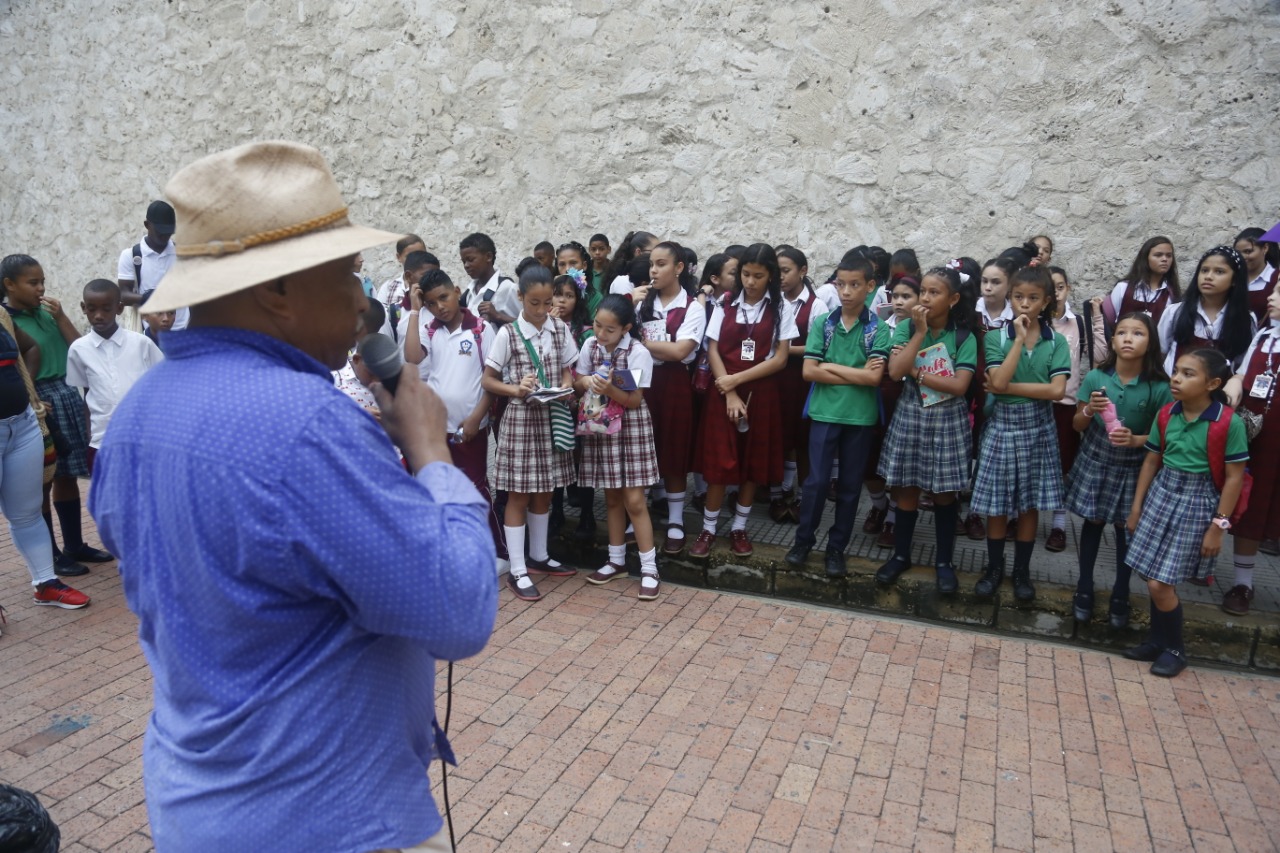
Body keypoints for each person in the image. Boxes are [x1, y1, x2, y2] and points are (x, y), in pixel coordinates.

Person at [87, 141, 497, 852]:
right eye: (344, 274)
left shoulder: (136, 414)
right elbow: (458, 609)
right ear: (276, 292)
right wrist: (431, 455)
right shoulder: (306, 425)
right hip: (315, 815)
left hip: (197, 797)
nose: (359, 299)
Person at [1123, 349, 1247, 678]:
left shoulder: (1227, 423)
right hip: (1162, 494)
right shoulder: (1167, 413)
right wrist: (1137, 508)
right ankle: (1157, 640)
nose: (1176, 378)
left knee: (1160, 584)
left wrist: (1218, 526)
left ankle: (1175, 649)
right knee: (1152, 577)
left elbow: (1234, 477)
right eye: (1176, 371)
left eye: (1189, 374)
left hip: (1198, 502)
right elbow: (1152, 460)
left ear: (1214, 383)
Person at [3, 255, 113, 576]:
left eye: (42, 282)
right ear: (9, 285)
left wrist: (62, 316)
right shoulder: (6, 320)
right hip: (39, 401)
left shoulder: (46, 314)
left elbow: (80, 349)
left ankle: (75, 544)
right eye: (32, 282)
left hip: (66, 393)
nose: (41, 288)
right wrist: (32, 396)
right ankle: (49, 554)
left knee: (66, 474)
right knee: (42, 481)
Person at [873, 267, 977, 594]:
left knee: (945, 493)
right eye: (924, 292)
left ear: (954, 299)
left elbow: (959, 386)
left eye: (936, 293)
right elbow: (894, 370)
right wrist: (918, 333)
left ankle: (944, 562)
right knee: (907, 487)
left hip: (948, 418)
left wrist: (917, 373)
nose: (927, 298)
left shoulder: (964, 336)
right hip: (910, 413)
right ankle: (901, 555)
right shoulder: (905, 329)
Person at [689, 243, 797, 559]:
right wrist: (730, 391)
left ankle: (739, 526)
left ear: (771, 277)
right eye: (746, 274)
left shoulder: (780, 308)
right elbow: (712, 348)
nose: (750, 282)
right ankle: (708, 529)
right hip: (724, 393)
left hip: (760, 391)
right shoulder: (725, 302)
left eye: (758, 276)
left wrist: (736, 381)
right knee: (720, 463)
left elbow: (780, 359)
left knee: (752, 463)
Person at [971, 266, 1070, 602]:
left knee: (1030, 505)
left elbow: (1057, 391)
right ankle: (994, 567)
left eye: (1033, 298)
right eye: (1018, 297)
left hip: (1039, 429)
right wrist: (1016, 340)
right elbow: (996, 383)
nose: (1024, 304)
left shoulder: (1055, 341)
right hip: (1003, 426)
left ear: (1045, 302)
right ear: (1009, 298)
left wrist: (1009, 386)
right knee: (997, 505)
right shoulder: (996, 337)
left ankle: (1022, 571)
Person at [1065, 313, 1171, 627]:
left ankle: (1121, 591)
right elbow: (1076, 424)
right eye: (1121, 332)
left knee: (1127, 527)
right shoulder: (1098, 377)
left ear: (1150, 342)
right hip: (1098, 453)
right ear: (1112, 341)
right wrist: (1088, 410)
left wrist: (1138, 439)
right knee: (1093, 520)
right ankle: (1084, 585)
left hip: (1136, 461)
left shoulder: (1160, 386)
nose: (1127, 338)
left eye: (1137, 333)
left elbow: (1162, 436)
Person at [482, 265, 579, 602]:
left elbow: (569, 370)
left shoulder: (559, 329)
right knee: (519, 494)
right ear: (520, 297)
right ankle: (518, 568)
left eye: (546, 303)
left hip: (551, 417)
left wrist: (565, 387)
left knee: (546, 490)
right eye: (534, 303)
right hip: (522, 421)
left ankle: (540, 556)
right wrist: (515, 388)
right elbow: (488, 380)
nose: (541, 310)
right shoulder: (507, 334)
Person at [783, 255, 884, 577]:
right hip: (824, 413)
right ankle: (803, 541)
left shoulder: (878, 329)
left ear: (870, 286)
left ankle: (836, 547)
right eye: (841, 284)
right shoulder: (823, 323)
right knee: (814, 482)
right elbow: (809, 372)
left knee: (851, 486)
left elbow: (874, 379)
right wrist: (852, 372)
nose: (847, 292)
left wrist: (831, 366)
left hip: (860, 417)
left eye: (855, 285)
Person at [403, 270, 504, 557]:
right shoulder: (430, 329)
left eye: (444, 298)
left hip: (469, 425)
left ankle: (497, 552)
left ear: (457, 291)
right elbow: (412, 356)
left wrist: (476, 418)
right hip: (435, 426)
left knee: (475, 487)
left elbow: (491, 380)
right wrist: (414, 311)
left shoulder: (481, 329)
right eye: (432, 303)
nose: (440, 307)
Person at [0, 301, 90, 611]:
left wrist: (29, 397)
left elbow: (29, 349)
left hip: (22, 425)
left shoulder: (1, 317)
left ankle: (45, 583)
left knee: (26, 512)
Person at [576, 295, 662, 599]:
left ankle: (650, 568)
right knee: (611, 496)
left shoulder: (638, 353)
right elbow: (578, 379)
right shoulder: (590, 346)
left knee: (634, 500)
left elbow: (634, 399)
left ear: (626, 328)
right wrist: (587, 382)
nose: (601, 334)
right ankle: (616, 561)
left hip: (631, 428)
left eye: (609, 329)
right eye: (598, 325)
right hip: (601, 426)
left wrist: (608, 387)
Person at [637, 242, 706, 555]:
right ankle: (633, 515)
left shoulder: (692, 306)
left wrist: (641, 342)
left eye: (661, 264)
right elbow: (618, 337)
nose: (654, 270)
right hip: (640, 382)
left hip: (675, 383)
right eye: (652, 264)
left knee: (674, 450)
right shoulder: (641, 302)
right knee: (639, 447)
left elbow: (681, 351)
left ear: (679, 268)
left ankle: (676, 521)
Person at [1221, 287, 1280, 614]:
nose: (1271, 297)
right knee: (1253, 504)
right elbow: (1243, 373)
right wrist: (1234, 383)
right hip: (1257, 435)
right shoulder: (1264, 335)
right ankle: (1243, 583)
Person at [65, 280, 164, 471]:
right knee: (107, 496)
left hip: (143, 439)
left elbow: (161, 387)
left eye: (106, 309)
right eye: (92, 309)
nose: (99, 315)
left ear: (119, 308)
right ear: (83, 308)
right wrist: (90, 435)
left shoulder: (142, 344)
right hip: (102, 441)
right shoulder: (78, 350)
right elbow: (87, 394)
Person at [1044, 266, 1106, 551]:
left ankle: (1058, 525)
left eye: (1060, 287)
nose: (1055, 293)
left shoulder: (1077, 323)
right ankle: (1019, 517)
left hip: (1066, 404)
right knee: (1033, 464)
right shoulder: (1033, 322)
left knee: (1062, 467)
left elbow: (1100, 357)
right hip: (1036, 402)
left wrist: (1096, 318)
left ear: (1067, 288)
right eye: (1050, 288)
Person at [862, 274, 919, 547]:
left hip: (907, 402)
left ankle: (894, 518)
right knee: (869, 459)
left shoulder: (923, 331)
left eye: (906, 296)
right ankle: (879, 503)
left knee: (899, 464)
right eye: (895, 296)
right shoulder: (879, 327)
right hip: (878, 399)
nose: (899, 301)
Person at [1157, 245, 1256, 376]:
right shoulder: (1175, 312)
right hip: (1174, 389)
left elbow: (1243, 364)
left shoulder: (1245, 319)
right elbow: (1160, 352)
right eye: (1204, 270)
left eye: (1219, 272)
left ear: (1235, 280)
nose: (1208, 277)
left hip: (1219, 393)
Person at [117, 200, 190, 332]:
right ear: (147, 225)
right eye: (160, 232)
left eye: (169, 232)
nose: (165, 236)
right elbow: (123, 294)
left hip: (183, 329)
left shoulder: (183, 254)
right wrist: (149, 298)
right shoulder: (131, 256)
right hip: (150, 332)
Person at [1107, 236, 1181, 325]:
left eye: (1169, 255)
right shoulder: (1123, 288)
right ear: (1146, 258)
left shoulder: (1172, 294)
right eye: (1158, 255)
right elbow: (1109, 322)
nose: (1165, 259)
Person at [459, 232, 519, 326]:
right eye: (463, 262)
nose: (466, 265)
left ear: (488, 257)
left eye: (470, 260)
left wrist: (498, 316)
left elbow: (530, 324)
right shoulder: (468, 294)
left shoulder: (508, 288)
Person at [1234, 226, 1280, 324]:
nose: (1242, 257)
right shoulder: (1232, 279)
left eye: (1248, 251)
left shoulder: (1277, 279)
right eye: (1238, 253)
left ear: (1265, 248)